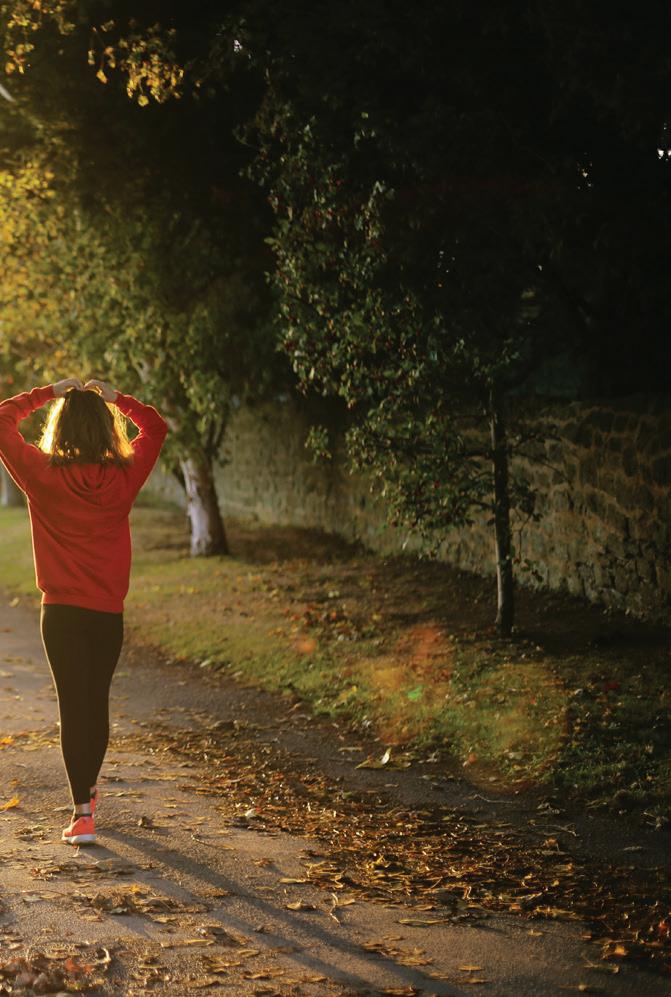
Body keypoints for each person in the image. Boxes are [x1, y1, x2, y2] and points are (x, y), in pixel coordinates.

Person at [0, 376, 168, 845]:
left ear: (61, 428)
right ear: (106, 428)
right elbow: (156, 428)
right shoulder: (123, 476)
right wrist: (118, 399)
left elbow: (2, 420)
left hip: (61, 614)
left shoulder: (42, 474)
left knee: (73, 706)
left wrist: (46, 393)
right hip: (106, 614)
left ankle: (83, 814)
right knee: (95, 702)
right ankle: (87, 795)